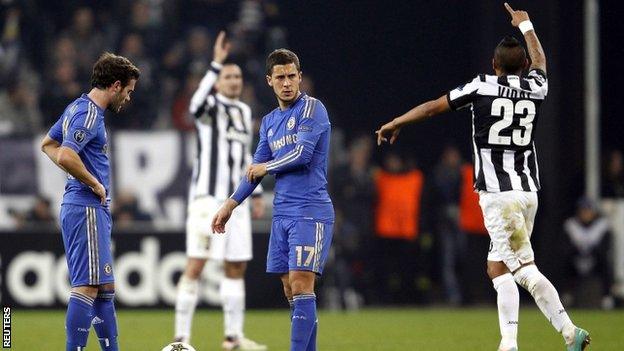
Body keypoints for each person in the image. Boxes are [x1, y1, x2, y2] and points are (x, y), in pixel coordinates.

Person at [375, 4, 590, 351]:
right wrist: (527, 25)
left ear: (494, 65)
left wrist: (398, 121)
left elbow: (433, 107)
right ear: (522, 67)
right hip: (528, 191)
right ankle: (508, 343)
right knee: (497, 266)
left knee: (523, 269)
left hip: (498, 195)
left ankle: (569, 331)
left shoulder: (482, 86)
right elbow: (541, 63)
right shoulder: (535, 86)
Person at [212, 48, 334, 351]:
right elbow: (254, 169)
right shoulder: (268, 122)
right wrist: (230, 204)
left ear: (300, 77)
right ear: (270, 80)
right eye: (280, 77)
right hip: (282, 215)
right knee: (290, 288)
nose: (287, 82)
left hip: (310, 209)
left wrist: (266, 167)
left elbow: (302, 155)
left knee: (302, 283)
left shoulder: (312, 109)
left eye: (292, 76)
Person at [173, 31, 267, 351]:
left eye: (237, 76)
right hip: (206, 198)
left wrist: (255, 194)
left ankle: (232, 338)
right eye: (228, 75)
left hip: (235, 201)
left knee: (235, 266)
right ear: (217, 81)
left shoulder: (243, 112)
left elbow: (246, 156)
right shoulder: (209, 106)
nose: (234, 80)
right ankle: (181, 339)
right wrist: (215, 62)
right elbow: (193, 104)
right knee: (196, 263)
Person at [40, 52, 139, 351]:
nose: (128, 98)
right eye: (129, 92)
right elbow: (66, 153)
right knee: (87, 286)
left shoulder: (75, 108)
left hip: (84, 207)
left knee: (105, 287)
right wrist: (92, 181)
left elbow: (48, 144)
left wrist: (79, 176)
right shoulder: (89, 114)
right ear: (116, 85)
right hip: (85, 207)